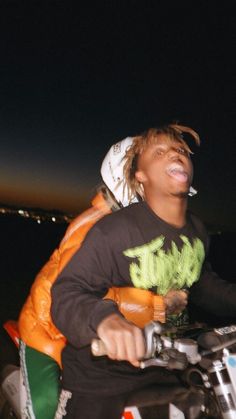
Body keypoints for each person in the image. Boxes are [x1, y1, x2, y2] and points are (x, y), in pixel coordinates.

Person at [51, 123, 236, 419]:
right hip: (102, 377)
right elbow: (66, 293)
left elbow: (202, 284)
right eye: (160, 152)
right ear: (141, 176)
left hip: (171, 370)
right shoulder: (116, 230)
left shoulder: (197, 230)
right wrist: (105, 321)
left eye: (179, 150)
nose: (174, 155)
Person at [18, 136, 168, 419]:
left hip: (90, 342)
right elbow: (76, 294)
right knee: (45, 408)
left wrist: (163, 311)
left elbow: (137, 291)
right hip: (47, 335)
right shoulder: (98, 230)